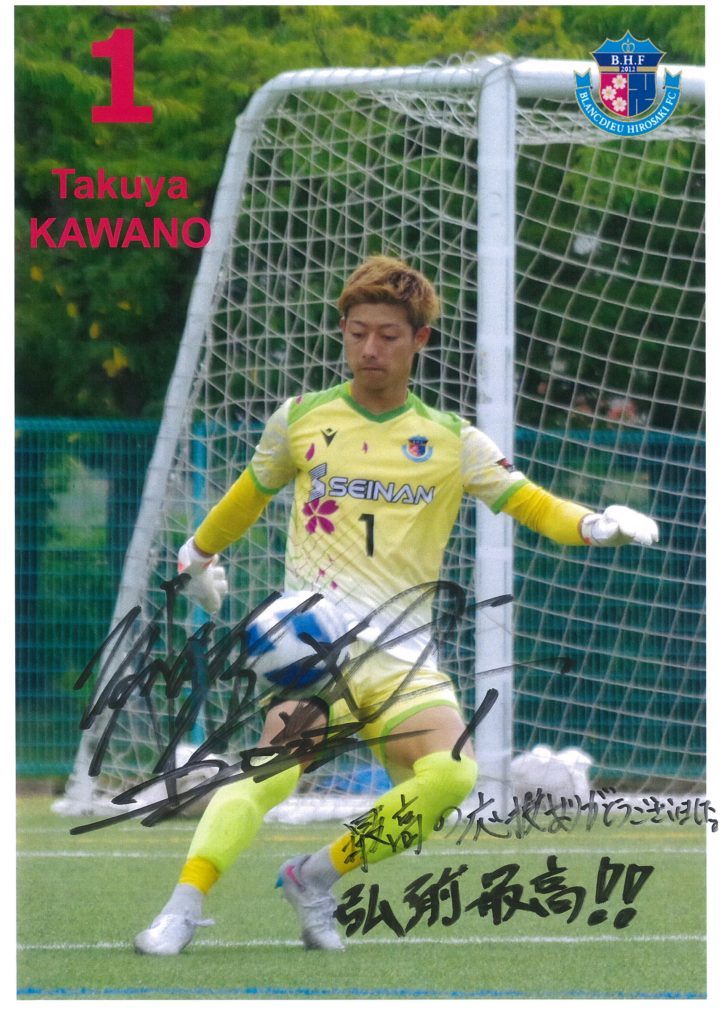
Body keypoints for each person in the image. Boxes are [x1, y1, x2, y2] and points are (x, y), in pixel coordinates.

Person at [134, 256, 658, 955]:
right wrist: (196, 558)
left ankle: (314, 877)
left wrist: (594, 524)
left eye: (387, 335)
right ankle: (182, 907)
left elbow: (531, 504)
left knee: (451, 776)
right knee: (265, 774)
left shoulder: (452, 440)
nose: (369, 349)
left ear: (420, 340)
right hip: (315, 653)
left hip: (403, 657)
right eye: (357, 333)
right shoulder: (301, 419)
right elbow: (246, 498)